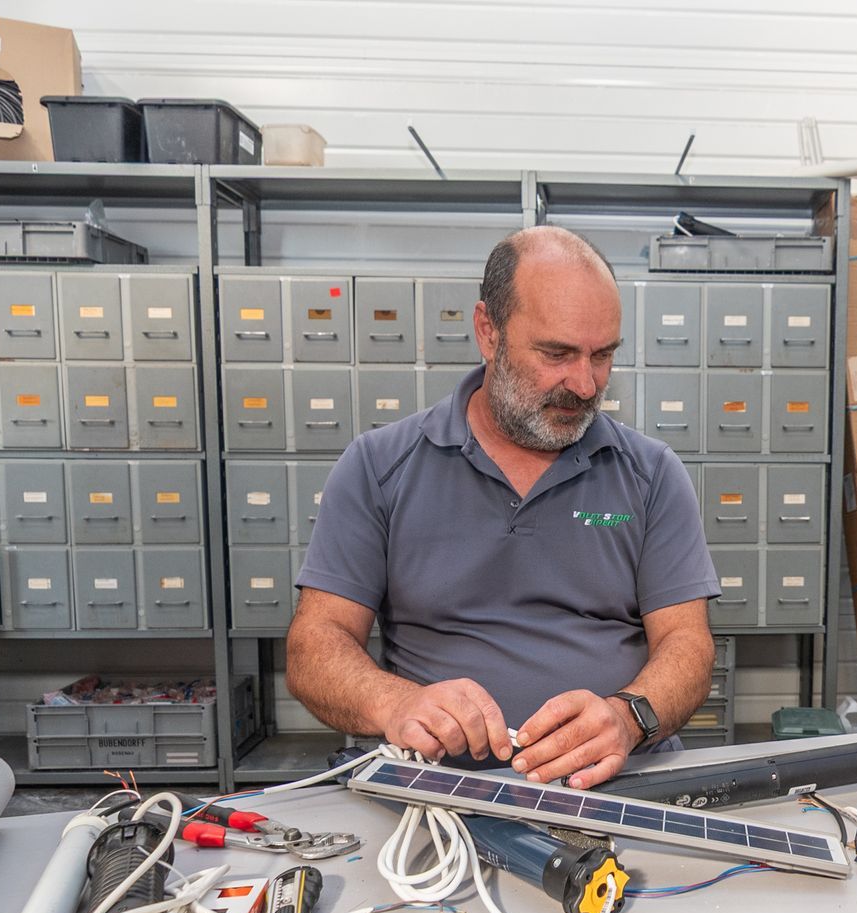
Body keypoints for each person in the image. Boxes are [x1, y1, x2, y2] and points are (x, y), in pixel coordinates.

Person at [286, 225, 718, 791]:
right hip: (439, 794)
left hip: (616, 785)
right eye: (557, 354)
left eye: (602, 356)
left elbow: (688, 644)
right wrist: (394, 703)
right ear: (488, 332)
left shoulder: (651, 473)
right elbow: (314, 644)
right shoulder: (378, 467)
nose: (585, 385)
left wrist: (629, 716)